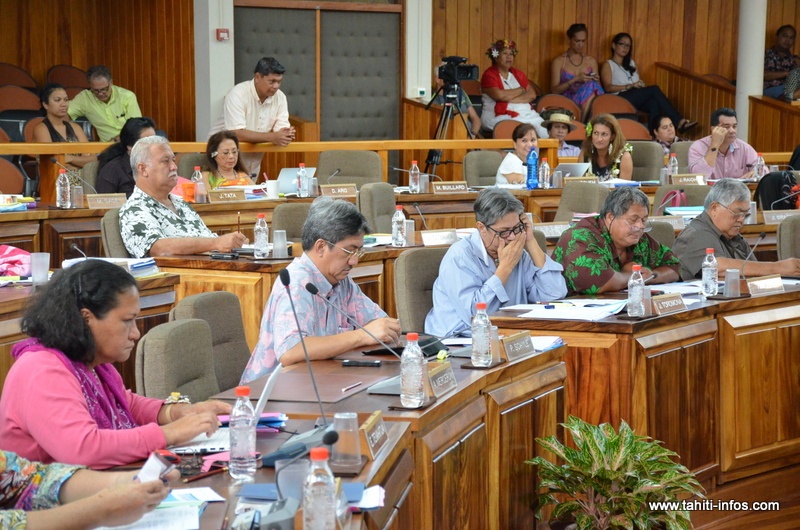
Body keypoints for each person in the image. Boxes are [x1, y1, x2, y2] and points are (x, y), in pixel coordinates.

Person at [0, 260, 231, 469]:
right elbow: (83, 449)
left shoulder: (91, 362)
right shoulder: (41, 370)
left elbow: (125, 403)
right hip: (44, 507)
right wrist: (170, 433)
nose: (136, 333)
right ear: (86, 318)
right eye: (127, 321)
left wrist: (177, 412)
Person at [241, 198, 401, 380]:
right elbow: (291, 351)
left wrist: (379, 330)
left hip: (322, 380)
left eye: (359, 252)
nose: (354, 261)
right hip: (272, 394)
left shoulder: (341, 281)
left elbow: (381, 325)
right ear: (321, 247)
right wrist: (361, 336)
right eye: (350, 251)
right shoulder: (296, 283)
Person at [425, 188, 567, 337]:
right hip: (458, 341)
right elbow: (476, 316)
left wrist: (530, 240)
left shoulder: (517, 251)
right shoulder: (460, 257)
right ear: (482, 227)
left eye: (517, 228)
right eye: (504, 231)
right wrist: (505, 268)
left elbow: (554, 295)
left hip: (508, 335)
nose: (512, 237)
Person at [120, 136, 248, 258]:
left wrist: (234, 244)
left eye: (173, 161)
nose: (174, 167)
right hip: (181, 277)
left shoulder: (180, 203)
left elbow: (208, 239)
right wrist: (216, 243)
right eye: (165, 161)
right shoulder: (134, 209)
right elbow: (159, 249)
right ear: (143, 169)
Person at [0, 450, 177, 528]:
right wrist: (101, 510)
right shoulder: (41, 376)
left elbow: (26, 481)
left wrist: (126, 480)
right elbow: (84, 448)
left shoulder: (102, 373)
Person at [553, 187, 680, 295]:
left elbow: (675, 266)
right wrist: (631, 276)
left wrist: (651, 276)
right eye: (633, 220)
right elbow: (599, 282)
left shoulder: (638, 238)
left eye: (644, 220)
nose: (640, 226)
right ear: (610, 217)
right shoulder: (581, 238)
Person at [673, 179, 800, 280]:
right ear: (714, 208)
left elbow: (756, 272)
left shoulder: (733, 235)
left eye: (745, 214)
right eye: (736, 213)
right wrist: (777, 267)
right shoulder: (696, 234)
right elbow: (717, 267)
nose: (741, 220)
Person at [209, 57, 295, 175]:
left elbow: (280, 130)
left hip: (252, 164)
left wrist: (286, 134)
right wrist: (273, 137)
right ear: (258, 77)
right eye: (272, 81)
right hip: (219, 160)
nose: (276, 86)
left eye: (279, 82)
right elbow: (235, 133)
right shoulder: (238, 94)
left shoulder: (280, 97)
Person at [600, 33, 696, 132]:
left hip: (634, 96)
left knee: (653, 103)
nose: (625, 48)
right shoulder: (608, 64)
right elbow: (608, 87)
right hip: (619, 97)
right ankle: (679, 121)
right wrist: (629, 86)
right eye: (622, 44)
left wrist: (640, 86)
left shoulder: (632, 63)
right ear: (614, 45)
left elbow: (638, 82)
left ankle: (652, 136)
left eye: (628, 45)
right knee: (654, 89)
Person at [480, 39, 547, 137]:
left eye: (511, 54)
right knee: (523, 129)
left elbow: (532, 95)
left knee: (544, 129)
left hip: (526, 114)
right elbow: (500, 96)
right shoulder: (489, 75)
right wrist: (521, 90)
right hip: (498, 116)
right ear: (496, 57)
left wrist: (509, 99)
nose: (509, 57)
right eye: (505, 54)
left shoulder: (518, 73)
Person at [68, 65, 142, 142]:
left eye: (104, 89)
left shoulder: (127, 96)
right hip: (107, 148)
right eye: (95, 90)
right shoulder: (85, 98)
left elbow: (136, 127)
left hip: (131, 142)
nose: (100, 94)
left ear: (111, 83)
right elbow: (64, 113)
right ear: (90, 85)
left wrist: (116, 140)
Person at [31, 83, 95, 171]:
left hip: (83, 180)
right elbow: (52, 162)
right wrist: (79, 165)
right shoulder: (41, 129)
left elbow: (92, 159)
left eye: (66, 100)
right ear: (45, 104)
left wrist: (70, 158)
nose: (64, 104)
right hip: (55, 180)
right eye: (57, 100)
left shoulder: (75, 127)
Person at [688, 108, 758, 180]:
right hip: (709, 190)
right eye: (726, 127)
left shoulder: (744, 147)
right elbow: (699, 177)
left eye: (734, 126)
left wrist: (755, 172)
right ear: (713, 129)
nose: (732, 131)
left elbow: (762, 170)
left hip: (736, 190)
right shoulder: (698, 147)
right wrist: (715, 144)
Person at [550, 24, 604, 117]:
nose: (580, 45)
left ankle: (583, 123)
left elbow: (598, 87)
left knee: (592, 85)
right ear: (569, 39)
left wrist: (594, 78)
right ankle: (586, 124)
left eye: (583, 41)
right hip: (568, 101)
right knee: (591, 86)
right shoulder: (559, 61)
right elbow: (554, 90)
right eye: (577, 41)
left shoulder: (590, 61)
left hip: (589, 99)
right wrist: (575, 79)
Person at [95, 117, 157, 197]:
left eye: (155, 140)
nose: (154, 146)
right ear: (130, 146)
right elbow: (102, 205)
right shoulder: (112, 170)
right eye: (146, 142)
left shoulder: (158, 164)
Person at [433, 62, 481, 138]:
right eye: (447, 75)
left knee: (497, 150)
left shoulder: (461, 93)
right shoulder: (434, 99)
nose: (451, 78)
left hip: (470, 136)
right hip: (450, 137)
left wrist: (473, 134)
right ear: (437, 79)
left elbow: (475, 118)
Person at [579, 114, 633, 180]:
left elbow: (625, 189)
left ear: (612, 137)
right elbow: (580, 185)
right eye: (596, 133)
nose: (599, 139)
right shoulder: (585, 154)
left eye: (604, 134)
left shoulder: (624, 156)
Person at [763, 25, 800, 99]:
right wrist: (788, 74)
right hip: (770, 90)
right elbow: (761, 75)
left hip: (793, 89)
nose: (788, 40)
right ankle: (790, 97)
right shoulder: (765, 54)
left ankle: (790, 97)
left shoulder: (795, 59)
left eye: (791, 38)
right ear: (776, 37)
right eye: (785, 36)